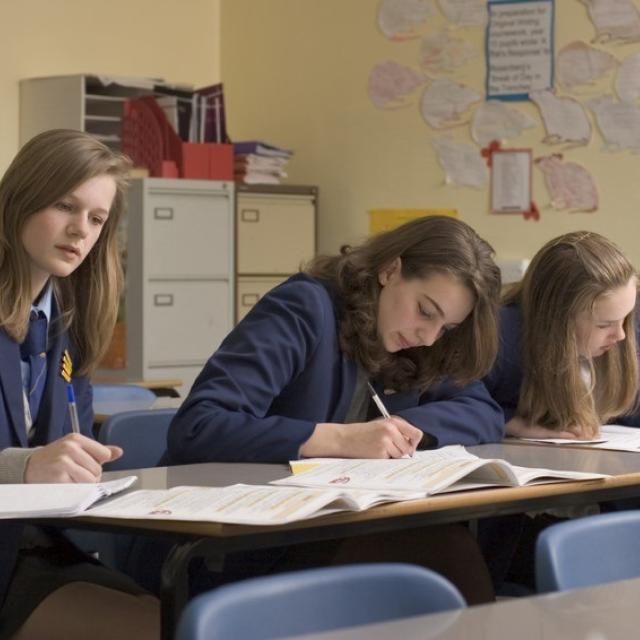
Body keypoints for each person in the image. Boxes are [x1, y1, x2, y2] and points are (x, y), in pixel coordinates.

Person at [162, 215, 504, 604]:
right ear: (391, 270)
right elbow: (198, 426)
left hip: (333, 527)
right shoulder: (306, 308)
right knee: (439, 556)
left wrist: (404, 428)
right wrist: (339, 439)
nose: (428, 337)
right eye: (425, 311)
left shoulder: (415, 341)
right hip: (242, 539)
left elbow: (483, 410)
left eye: (447, 327)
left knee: (447, 547)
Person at [0, 129, 159, 639]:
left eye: (96, 219)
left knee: (189, 616)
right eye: (65, 206)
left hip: (39, 547)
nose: (79, 231)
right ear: (20, 201)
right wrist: (25, 466)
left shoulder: (65, 326)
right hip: (13, 561)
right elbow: (33, 463)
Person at [479, 230, 639, 591]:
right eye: (604, 324)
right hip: (528, 528)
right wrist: (513, 423)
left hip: (610, 513)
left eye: (627, 318)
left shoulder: (622, 325)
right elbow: (455, 404)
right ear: (558, 318)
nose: (622, 336)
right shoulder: (502, 338)